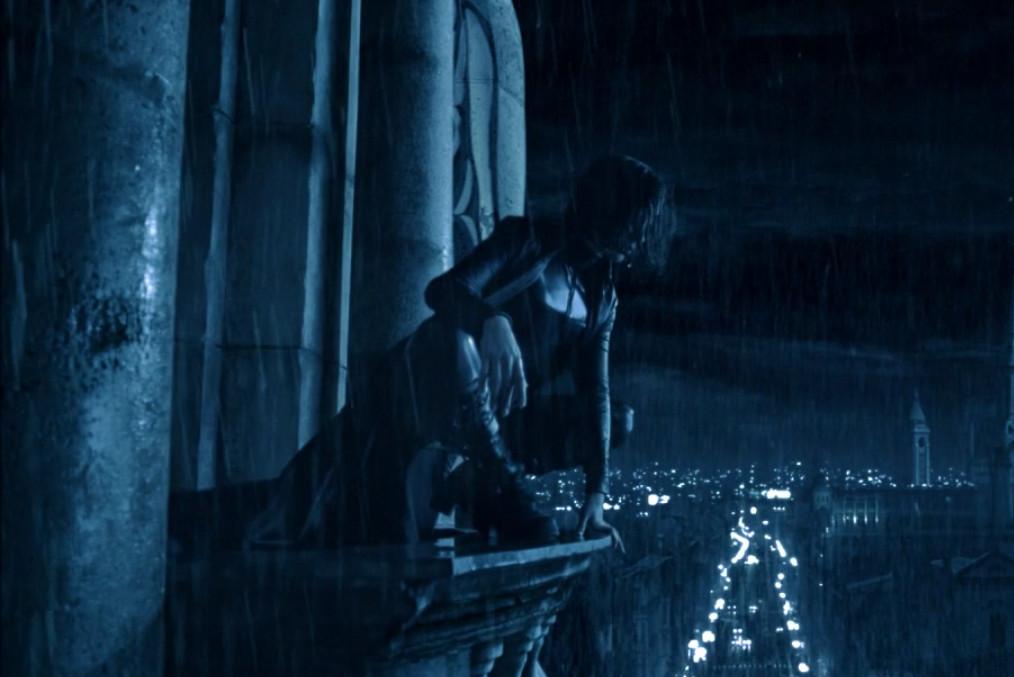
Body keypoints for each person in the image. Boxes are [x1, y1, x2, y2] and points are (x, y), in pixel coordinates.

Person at [206, 155, 672, 552]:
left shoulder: (602, 299)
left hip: (502, 420)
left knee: (618, 418)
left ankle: (474, 482)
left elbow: (595, 394)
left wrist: (596, 495)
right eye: (632, 225)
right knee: (456, 341)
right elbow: (443, 290)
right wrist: (491, 319)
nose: (635, 243)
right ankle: (501, 482)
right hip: (429, 393)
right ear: (607, 210)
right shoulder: (525, 240)